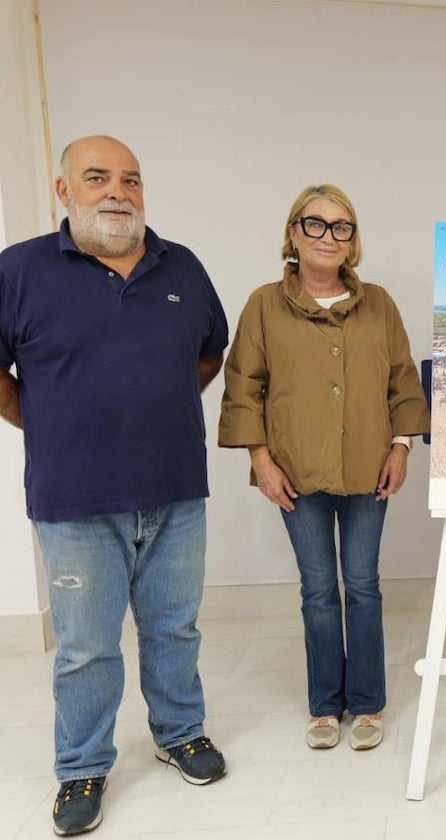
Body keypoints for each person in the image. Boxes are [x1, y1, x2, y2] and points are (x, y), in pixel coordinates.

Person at [0, 135, 229, 837]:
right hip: (74, 502)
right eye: (97, 178)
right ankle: (82, 766)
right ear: (63, 190)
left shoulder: (180, 264)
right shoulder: (18, 270)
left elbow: (207, 354)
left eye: (130, 179)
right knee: (86, 645)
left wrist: (151, 413)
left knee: (173, 626)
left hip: (175, 491)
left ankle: (179, 732)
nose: (117, 192)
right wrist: (45, 422)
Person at [219, 184, 429, 752]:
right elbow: (244, 385)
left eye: (342, 227)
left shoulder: (378, 303)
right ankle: (323, 706)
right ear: (293, 232)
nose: (329, 236)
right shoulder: (264, 303)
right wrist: (260, 459)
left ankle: (365, 704)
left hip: (369, 468)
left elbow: (403, 381)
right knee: (317, 589)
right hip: (295, 471)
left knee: (363, 585)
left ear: (353, 240)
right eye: (316, 224)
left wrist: (403, 446)